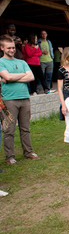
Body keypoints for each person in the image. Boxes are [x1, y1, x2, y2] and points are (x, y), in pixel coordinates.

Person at [0, 36, 40, 165]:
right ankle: (9, 157)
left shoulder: (22, 62)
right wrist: (22, 75)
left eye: (13, 47)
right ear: (2, 48)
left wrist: (13, 77)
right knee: (9, 130)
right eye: (9, 48)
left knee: (25, 128)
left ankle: (28, 152)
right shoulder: (1, 62)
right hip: (9, 100)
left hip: (25, 98)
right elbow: (7, 76)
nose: (12, 50)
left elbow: (31, 76)